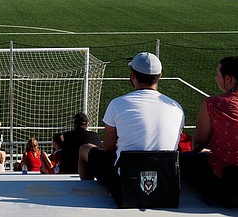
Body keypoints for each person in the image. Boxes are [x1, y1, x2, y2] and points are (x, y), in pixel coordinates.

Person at [78, 52, 185, 188]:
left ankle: (86, 193)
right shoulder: (177, 108)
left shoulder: (117, 104)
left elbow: (109, 149)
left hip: (126, 181)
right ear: (160, 76)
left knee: (84, 149)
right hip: (165, 178)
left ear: (133, 75)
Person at [182, 56, 238, 195]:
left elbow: (198, 144)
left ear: (228, 79)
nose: (215, 78)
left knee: (185, 159)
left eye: (217, 74)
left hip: (228, 180)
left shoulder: (213, 103)